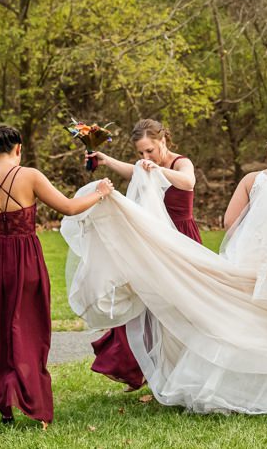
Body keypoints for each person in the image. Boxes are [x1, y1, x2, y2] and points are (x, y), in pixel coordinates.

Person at [60, 123, 267, 415]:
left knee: (252, 319)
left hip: (260, 261)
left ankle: (257, 383)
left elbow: (230, 223)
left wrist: (260, 228)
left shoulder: (253, 180)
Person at [0, 125, 113, 426]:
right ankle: (35, 403)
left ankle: (6, 404)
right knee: (28, 328)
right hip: (26, 260)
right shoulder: (30, 176)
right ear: (19, 148)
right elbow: (69, 208)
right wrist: (100, 192)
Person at [85, 119, 200, 390]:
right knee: (145, 302)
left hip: (181, 239)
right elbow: (135, 172)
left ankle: (186, 367)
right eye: (141, 153)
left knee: (182, 305)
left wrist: (158, 169)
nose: (145, 157)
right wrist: (105, 160)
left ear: (163, 140)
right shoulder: (145, 165)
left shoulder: (180, 162)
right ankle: (145, 367)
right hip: (154, 242)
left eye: (150, 150)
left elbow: (188, 181)